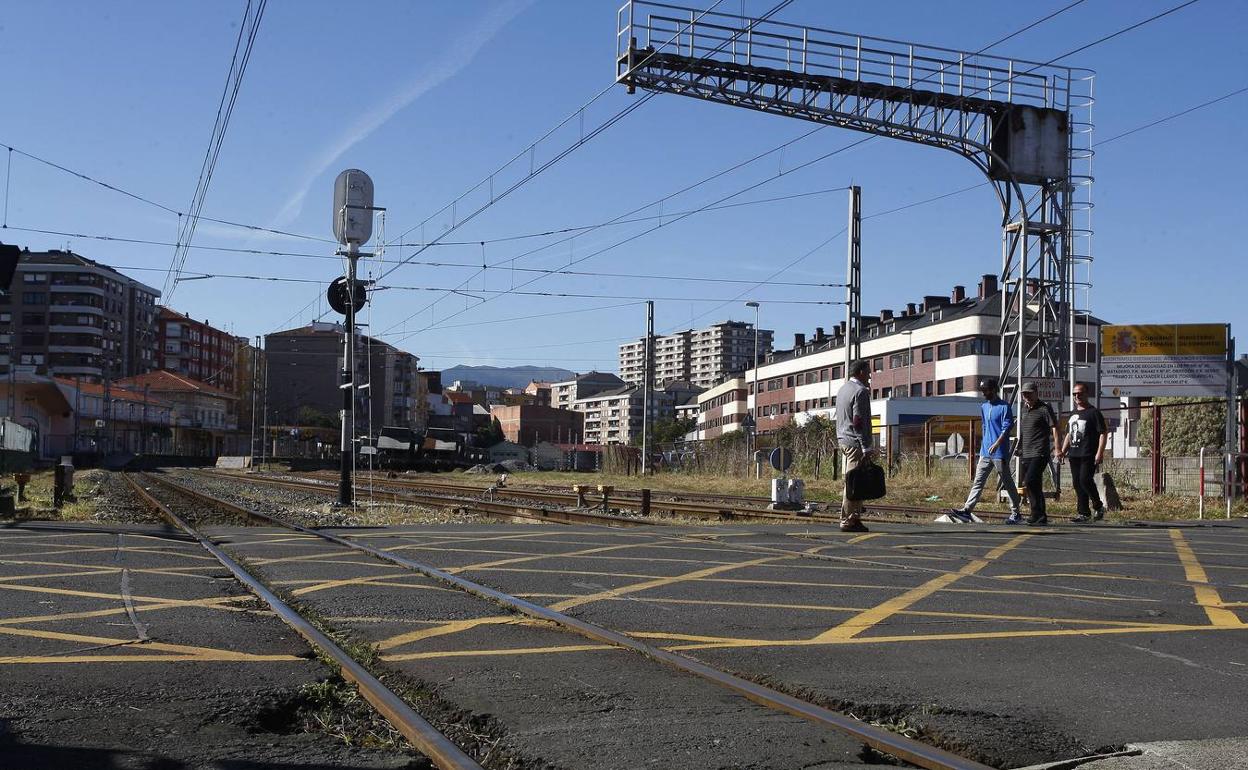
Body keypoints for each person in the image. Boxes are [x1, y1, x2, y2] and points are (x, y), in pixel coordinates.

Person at [948, 378, 1022, 523]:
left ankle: (1016, 513)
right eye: (982, 391)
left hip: (999, 452)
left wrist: (997, 443)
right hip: (985, 452)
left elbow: (1007, 428)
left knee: (1007, 482)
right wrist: (984, 445)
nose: (984, 394)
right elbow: (984, 427)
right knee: (978, 482)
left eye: (986, 391)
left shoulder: (1004, 407)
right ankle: (967, 510)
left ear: (993, 390)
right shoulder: (984, 407)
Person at [835, 359, 875, 533]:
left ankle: (854, 517)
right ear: (860, 373)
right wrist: (866, 446)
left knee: (854, 480)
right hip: (855, 442)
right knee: (854, 483)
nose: (870, 376)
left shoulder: (843, 389)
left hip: (843, 439)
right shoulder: (860, 392)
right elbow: (859, 421)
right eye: (868, 372)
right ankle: (848, 519)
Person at [1061, 382, 1108, 523]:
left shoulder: (1094, 413)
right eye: (1075, 394)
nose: (1077, 396)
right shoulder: (1073, 413)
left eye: (1080, 393)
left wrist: (1100, 452)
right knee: (1077, 483)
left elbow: (1103, 433)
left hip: (1088, 453)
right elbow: (1069, 434)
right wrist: (1063, 451)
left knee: (1085, 480)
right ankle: (1083, 513)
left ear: (1087, 394)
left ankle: (1098, 506)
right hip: (1074, 454)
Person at [1017, 381, 1060, 526]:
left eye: (1029, 393)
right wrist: (1019, 447)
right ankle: (1039, 515)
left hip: (1040, 451)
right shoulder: (1024, 410)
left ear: (1036, 393)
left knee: (1030, 481)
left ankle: (1038, 513)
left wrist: (1057, 448)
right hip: (1026, 452)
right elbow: (1023, 431)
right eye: (1024, 394)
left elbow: (1054, 428)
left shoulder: (1044, 409)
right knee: (1032, 484)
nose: (1027, 396)